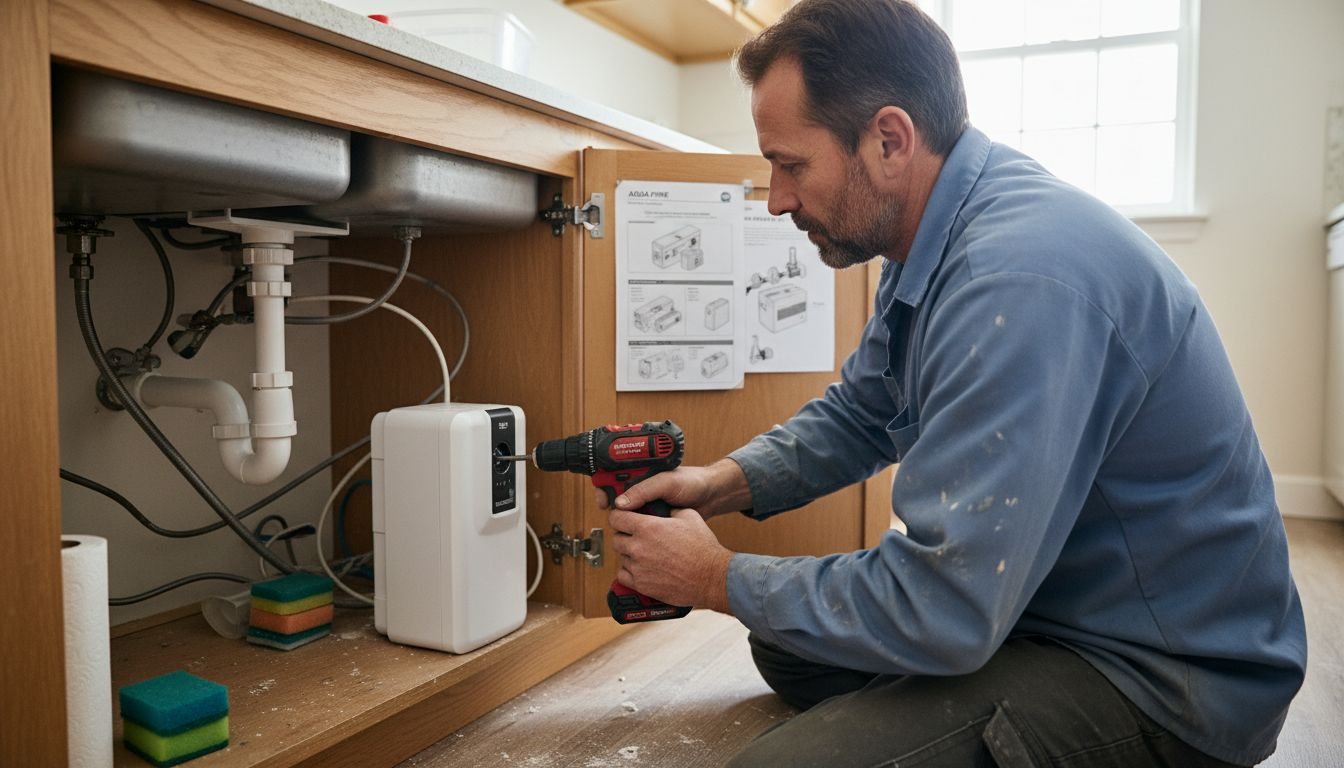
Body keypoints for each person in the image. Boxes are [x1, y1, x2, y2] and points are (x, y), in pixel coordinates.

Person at [601, 1, 1307, 766]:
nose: (774, 198)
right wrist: (719, 484)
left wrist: (717, 576)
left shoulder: (1015, 280)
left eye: (791, 164)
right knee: (791, 650)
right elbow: (864, 413)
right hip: (1044, 601)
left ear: (890, 140)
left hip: (1167, 674)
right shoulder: (935, 235)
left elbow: (944, 601)